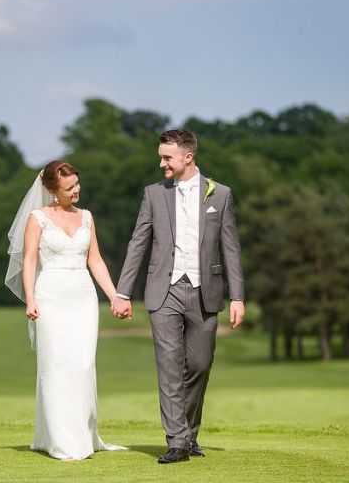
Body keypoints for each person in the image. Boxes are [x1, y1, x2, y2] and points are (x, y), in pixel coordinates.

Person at [111, 129, 245, 464]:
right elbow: (138, 243)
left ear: (188, 157)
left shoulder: (220, 194)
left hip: (206, 292)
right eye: (161, 157)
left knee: (199, 365)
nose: (161, 164)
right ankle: (177, 441)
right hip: (163, 291)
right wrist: (123, 291)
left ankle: (188, 433)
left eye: (167, 157)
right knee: (169, 366)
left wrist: (238, 296)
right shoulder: (153, 194)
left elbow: (230, 248)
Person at [5, 160, 127, 461]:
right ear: (51, 190)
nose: (76, 190)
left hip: (83, 298)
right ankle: (61, 442)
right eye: (69, 187)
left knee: (83, 366)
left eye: (77, 184)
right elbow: (30, 261)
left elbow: (95, 260)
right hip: (50, 299)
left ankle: (84, 436)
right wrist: (30, 299)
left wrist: (114, 296)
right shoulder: (38, 218)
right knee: (56, 367)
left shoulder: (86, 217)